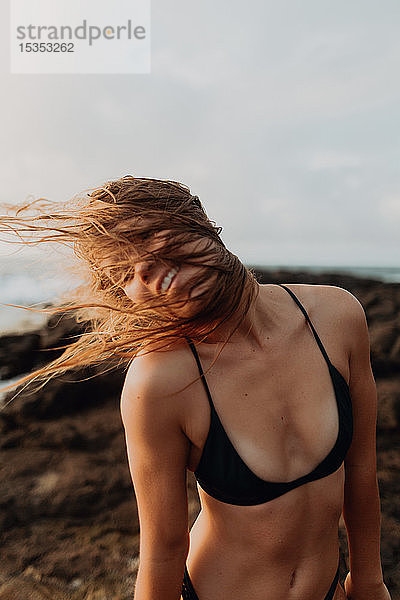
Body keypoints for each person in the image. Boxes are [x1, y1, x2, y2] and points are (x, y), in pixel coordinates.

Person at [1, 176, 391, 600]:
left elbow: (361, 469)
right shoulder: (161, 382)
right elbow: (162, 550)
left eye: (152, 237)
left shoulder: (335, 316)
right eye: (125, 272)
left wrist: (368, 581)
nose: (151, 272)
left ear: (201, 224)